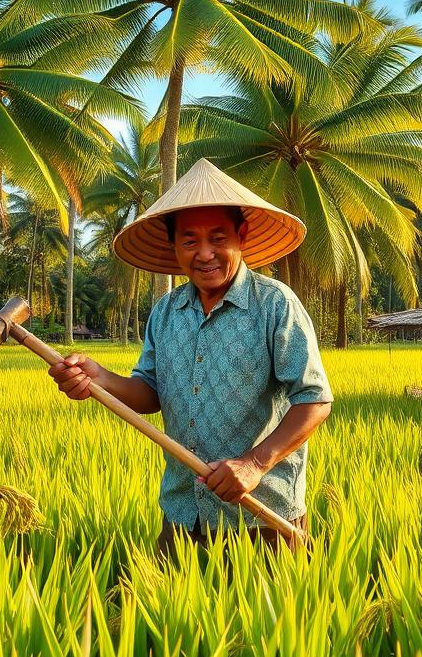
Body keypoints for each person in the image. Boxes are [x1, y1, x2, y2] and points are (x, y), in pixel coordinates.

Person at [48, 158, 332, 554]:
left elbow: (314, 399)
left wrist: (254, 464)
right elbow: (149, 392)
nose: (204, 254)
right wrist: (99, 378)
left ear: (242, 235)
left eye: (218, 238)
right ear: (173, 245)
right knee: (172, 614)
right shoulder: (166, 311)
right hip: (184, 511)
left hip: (262, 514)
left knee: (274, 617)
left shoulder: (274, 305)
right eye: (189, 241)